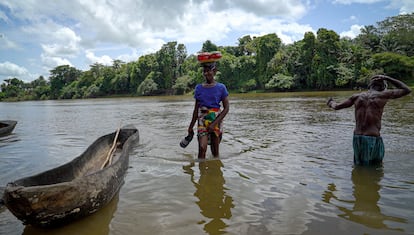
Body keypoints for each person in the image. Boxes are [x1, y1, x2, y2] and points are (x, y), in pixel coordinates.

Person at [327, 74, 411, 165]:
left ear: (370, 86)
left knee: (359, 166)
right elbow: (407, 90)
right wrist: (388, 78)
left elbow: (336, 106)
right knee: (376, 167)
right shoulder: (383, 95)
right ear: (383, 87)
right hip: (372, 137)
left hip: (357, 138)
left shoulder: (356, 97)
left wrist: (331, 102)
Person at [187, 61, 229, 159]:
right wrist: (191, 127)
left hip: (216, 120)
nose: (206, 73)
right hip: (202, 120)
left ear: (214, 71)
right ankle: (202, 172)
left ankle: (215, 172)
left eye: (208, 71)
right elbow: (196, 110)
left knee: (215, 152)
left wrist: (214, 124)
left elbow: (226, 108)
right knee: (202, 148)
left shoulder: (221, 87)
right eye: (204, 71)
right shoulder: (199, 88)